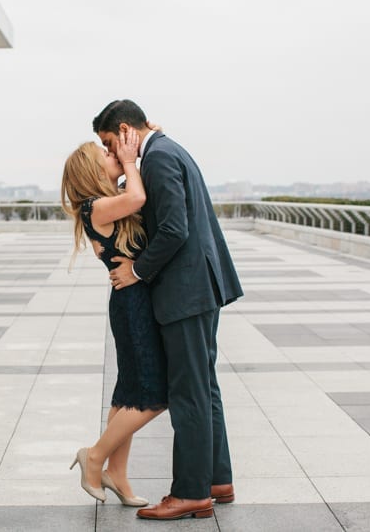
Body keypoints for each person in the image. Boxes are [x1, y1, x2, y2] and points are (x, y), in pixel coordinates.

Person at [94, 99, 243, 520]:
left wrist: (138, 270)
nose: (109, 153)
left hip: (185, 292)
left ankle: (191, 493)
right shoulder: (165, 150)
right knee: (203, 385)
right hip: (197, 289)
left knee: (187, 391)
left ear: (125, 130)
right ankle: (217, 478)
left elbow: (175, 228)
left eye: (109, 143)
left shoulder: (158, 158)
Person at [61, 128, 168, 507]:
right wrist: (128, 161)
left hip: (131, 300)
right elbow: (138, 196)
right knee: (154, 396)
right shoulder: (95, 206)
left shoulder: (106, 202)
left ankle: (117, 474)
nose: (112, 155)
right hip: (132, 304)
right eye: (105, 154)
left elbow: (137, 196)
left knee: (126, 393)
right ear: (93, 170)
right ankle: (94, 456)